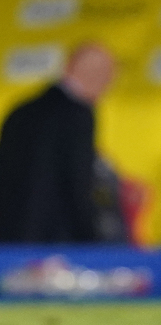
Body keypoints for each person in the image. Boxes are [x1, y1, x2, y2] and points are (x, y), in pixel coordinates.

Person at [0, 43, 116, 243]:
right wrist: (91, 239)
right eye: (103, 74)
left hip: (10, 235)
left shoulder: (22, 110)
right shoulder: (78, 115)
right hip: (54, 244)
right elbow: (77, 182)